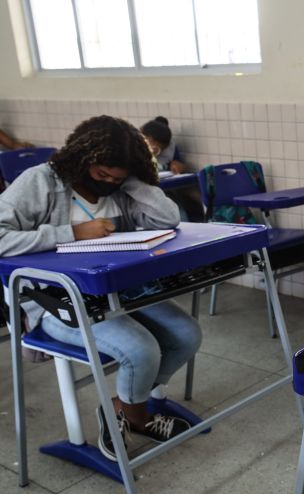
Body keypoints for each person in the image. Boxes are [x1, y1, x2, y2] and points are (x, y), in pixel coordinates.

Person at [0, 115, 201, 462]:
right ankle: (138, 417)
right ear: (82, 159)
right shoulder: (41, 182)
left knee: (186, 335)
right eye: (102, 174)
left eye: (117, 177)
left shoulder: (123, 188)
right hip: (54, 300)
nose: (108, 182)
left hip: (118, 292)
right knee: (141, 350)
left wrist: (136, 180)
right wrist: (73, 233)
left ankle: (121, 406)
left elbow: (168, 219)